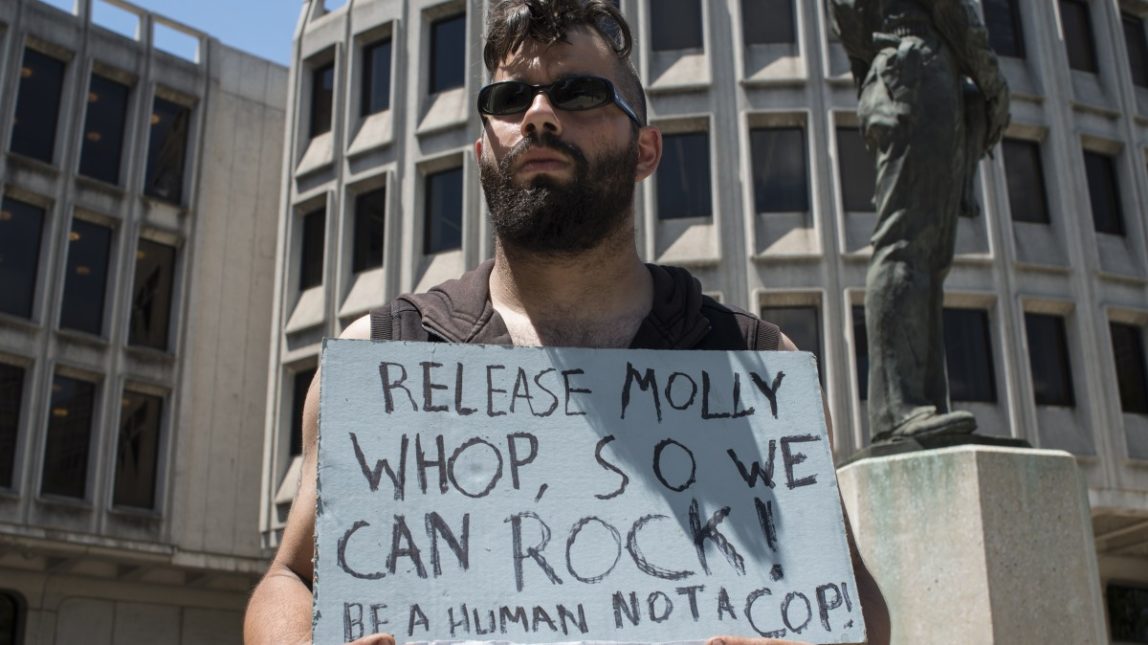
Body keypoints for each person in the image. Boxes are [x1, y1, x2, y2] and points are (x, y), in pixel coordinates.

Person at [244, 2, 891, 643]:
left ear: (645, 150)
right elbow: (290, 578)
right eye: (509, 97)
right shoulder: (379, 357)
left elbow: (848, 595)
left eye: (579, 93)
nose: (539, 114)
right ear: (481, 151)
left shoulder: (759, 365)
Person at [829, 0, 1010, 444]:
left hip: (902, 74)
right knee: (908, 244)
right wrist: (993, 84)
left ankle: (920, 404)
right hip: (916, 71)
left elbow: (851, 27)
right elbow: (954, 12)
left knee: (926, 254)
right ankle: (899, 409)